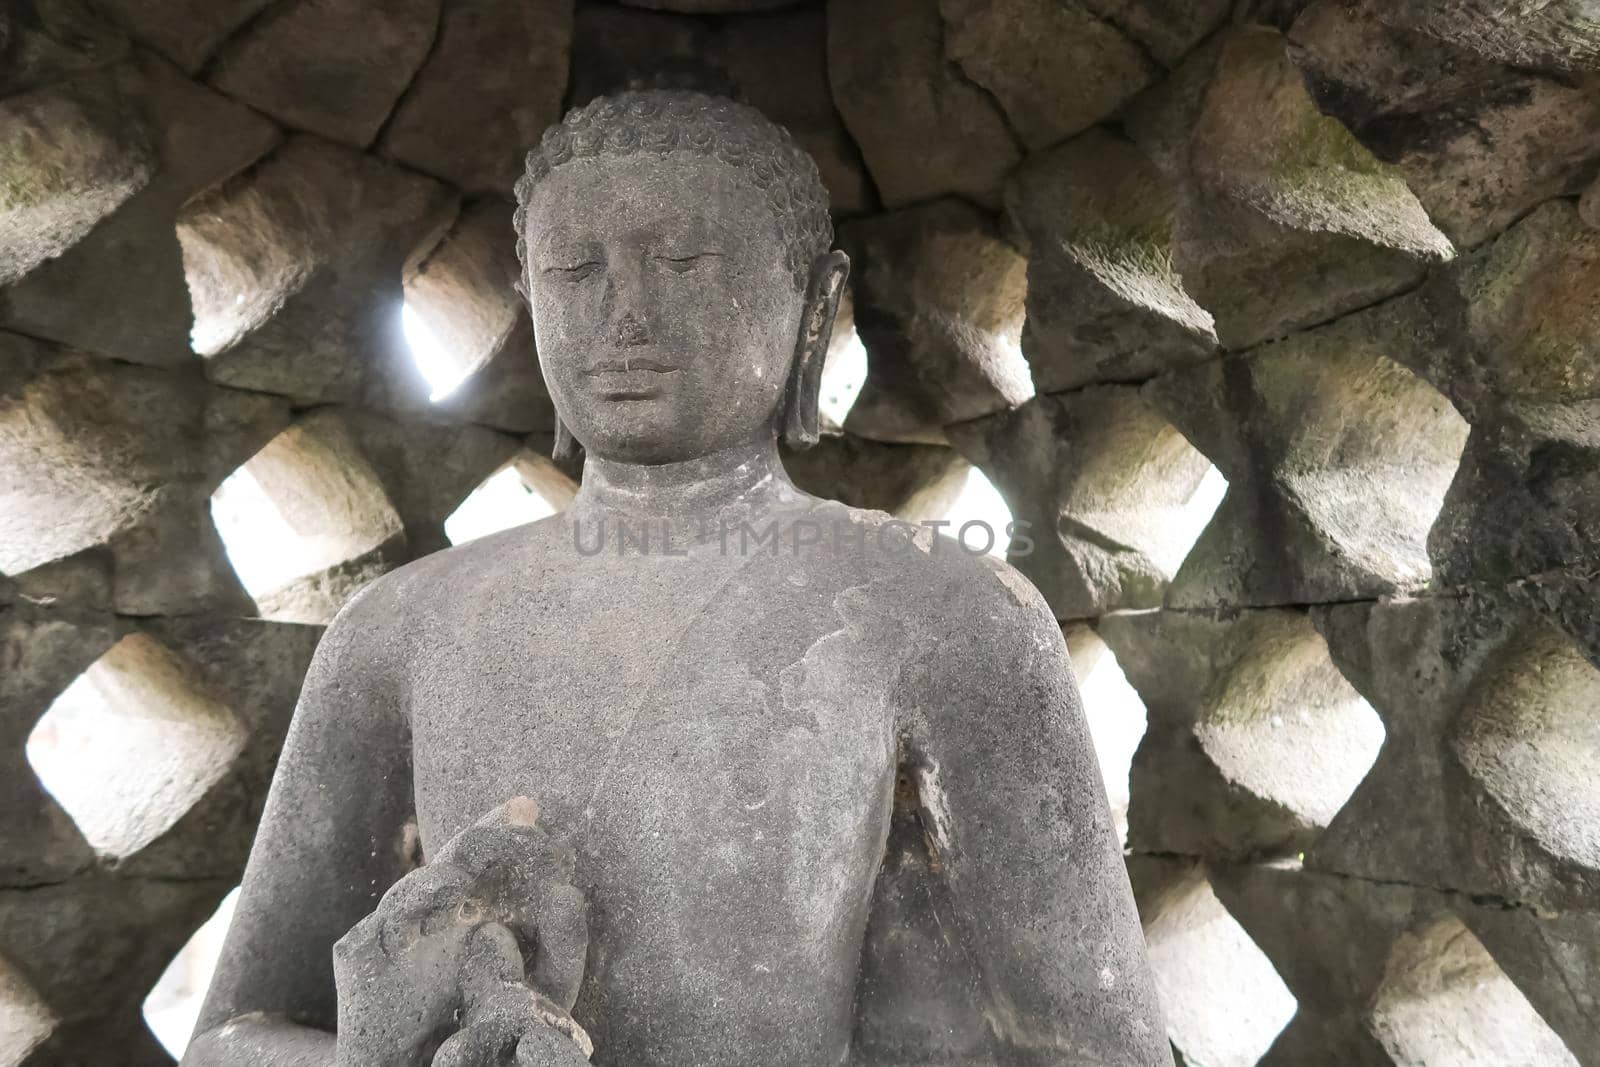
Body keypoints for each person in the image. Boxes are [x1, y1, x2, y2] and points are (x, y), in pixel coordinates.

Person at [184, 91, 1170, 1067]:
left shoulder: (945, 610)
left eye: (684, 263)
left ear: (815, 305)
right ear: (528, 299)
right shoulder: (400, 626)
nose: (625, 316)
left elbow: (1094, 1045)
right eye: (574, 271)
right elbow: (233, 1036)